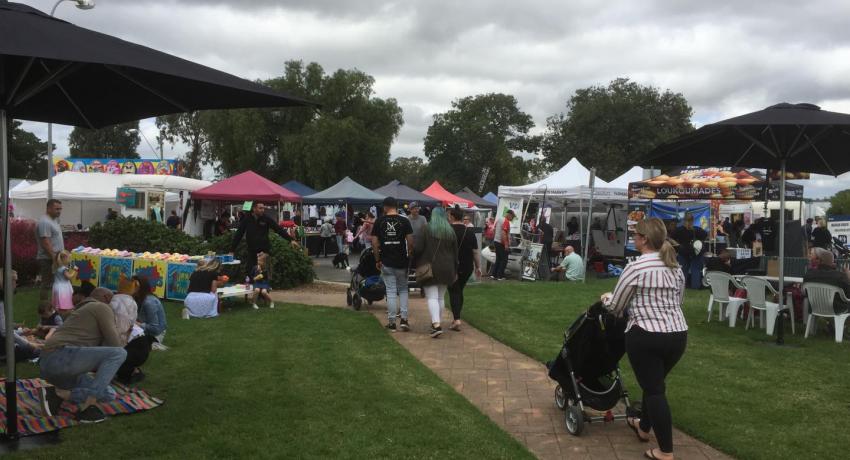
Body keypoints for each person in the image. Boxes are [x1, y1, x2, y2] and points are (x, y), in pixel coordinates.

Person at [601, 217, 687, 460]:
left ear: (644, 239)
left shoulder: (636, 267)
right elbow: (679, 301)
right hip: (678, 334)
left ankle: (665, 451)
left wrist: (606, 298)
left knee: (655, 390)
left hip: (646, 334)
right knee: (654, 384)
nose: (633, 238)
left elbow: (617, 307)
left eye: (635, 235)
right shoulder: (675, 267)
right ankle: (643, 426)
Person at [37, 287, 126, 423]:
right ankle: (89, 405)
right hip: (59, 357)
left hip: (54, 365)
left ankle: (58, 395)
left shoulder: (81, 311)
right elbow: (115, 344)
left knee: (109, 394)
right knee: (119, 353)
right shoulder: (101, 307)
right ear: (107, 298)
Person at [371, 196, 414, 332]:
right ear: (396, 206)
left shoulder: (379, 221)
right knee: (403, 290)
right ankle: (404, 320)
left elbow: (374, 243)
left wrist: (377, 260)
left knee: (390, 291)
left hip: (387, 261)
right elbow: (410, 242)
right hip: (402, 261)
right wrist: (409, 257)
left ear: (385, 207)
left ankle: (391, 322)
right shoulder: (405, 221)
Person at [415, 208, 458, 338]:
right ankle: (436, 324)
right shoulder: (450, 231)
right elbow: (456, 253)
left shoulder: (426, 229)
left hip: (431, 267)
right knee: (440, 297)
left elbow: (418, 248)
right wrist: (455, 269)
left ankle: (436, 324)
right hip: (448, 267)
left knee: (432, 297)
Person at [230, 201, 297, 273]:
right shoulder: (247, 219)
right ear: (254, 208)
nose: (262, 210)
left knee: (263, 273)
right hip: (251, 250)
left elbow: (278, 229)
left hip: (264, 251)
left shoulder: (266, 219)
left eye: (263, 208)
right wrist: (232, 250)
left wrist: (290, 240)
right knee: (250, 273)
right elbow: (239, 234)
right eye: (260, 208)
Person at [448, 206, 481, 332]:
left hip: (451, 266)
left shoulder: (448, 231)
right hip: (467, 267)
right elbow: (475, 252)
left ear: (451, 216)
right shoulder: (470, 232)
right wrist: (478, 267)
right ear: (462, 218)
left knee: (453, 291)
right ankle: (457, 317)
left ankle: (456, 319)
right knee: (459, 289)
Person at [803, 247, 850, 314]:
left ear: (819, 260)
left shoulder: (808, 274)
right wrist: (848, 277)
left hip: (815, 307)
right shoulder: (839, 276)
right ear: (833, 262)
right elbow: (848, 294)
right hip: (836, 309)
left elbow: (804, 293)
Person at [36, 199, 65, 301]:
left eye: (60, 209)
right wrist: (54, 258)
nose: (59, 211)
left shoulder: (54, 220)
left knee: (56, 282)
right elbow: (45, 242)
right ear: (48, 208)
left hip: (56, 257)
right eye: (56, 209)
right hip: (47, 258)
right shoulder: (45, 221)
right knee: (46, 284)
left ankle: (53, 305)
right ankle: (44, 309)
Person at [671, 214, 708, 289]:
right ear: (693, 221)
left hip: (683, 252)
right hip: (696, 253)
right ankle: (695, 287)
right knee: (696, 270)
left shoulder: (679, 230)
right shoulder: (697, 229)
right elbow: (705, 235)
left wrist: (677, 244)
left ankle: (682, 287)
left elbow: (671, 238)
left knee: (683, 271)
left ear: (684, 220)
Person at [133, 275, 168, 349]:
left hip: (154, 335)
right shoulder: (138, 299)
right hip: (142, 331)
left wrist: (137, 324)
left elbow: (155, 328)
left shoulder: (149, 302)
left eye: (133, 285)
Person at [491, 210, 515, 280]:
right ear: (509, 215)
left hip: (496, 241)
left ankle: (494, 274)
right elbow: (504, 233)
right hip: (501, 243)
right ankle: (500, 276)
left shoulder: (499, 219)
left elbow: (494, 230)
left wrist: (495, 238)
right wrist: (506, 244)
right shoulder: (506, 221)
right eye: (512, 217)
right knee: (504, 259)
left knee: (498, 258)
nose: (512, 218)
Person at [538, 216, 554, 280]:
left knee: (541, 257)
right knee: (548, 256)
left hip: (542, 243)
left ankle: (542, 271)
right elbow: (552, 235)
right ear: (545, 220)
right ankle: (549, 269)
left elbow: (535, 235)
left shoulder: (538, 226)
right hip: (549, 243)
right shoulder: (550, 226)